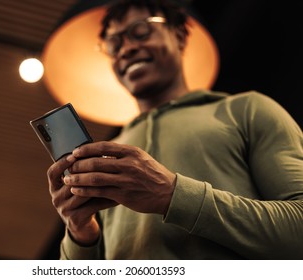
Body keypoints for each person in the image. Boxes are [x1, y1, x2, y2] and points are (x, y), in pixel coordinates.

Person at [47, 0, 303, 259]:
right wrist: (80, 233)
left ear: (179, 35)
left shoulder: (246, 109)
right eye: (114, 43)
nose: (126, 49)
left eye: (140, 31)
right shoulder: (105, 159)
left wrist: (172, 195)